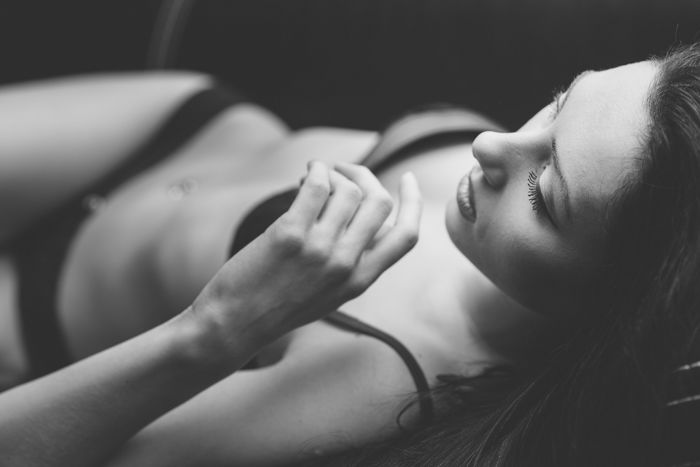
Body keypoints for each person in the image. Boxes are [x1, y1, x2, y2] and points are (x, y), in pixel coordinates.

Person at [1, 41, 699, 466]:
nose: (492, 145)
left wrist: (214, 329)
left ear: (616, 308)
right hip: (176, 131)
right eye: (557, 105)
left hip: (33, 308)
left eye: (545, 195)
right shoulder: (589, 171)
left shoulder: (382, 377)